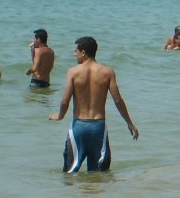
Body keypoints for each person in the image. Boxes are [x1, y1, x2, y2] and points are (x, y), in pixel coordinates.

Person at [49, 36, 139, 172]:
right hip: (98, 127)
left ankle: (69, 194)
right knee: (99, 174)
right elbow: (118, 100)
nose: (74, 54)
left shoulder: (73, 72)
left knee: (69, 172)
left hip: (78, 127)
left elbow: (65, 101)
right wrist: (129, 123)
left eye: (76, 51)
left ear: (83, 52)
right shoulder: (108, 72)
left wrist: (60, 115)